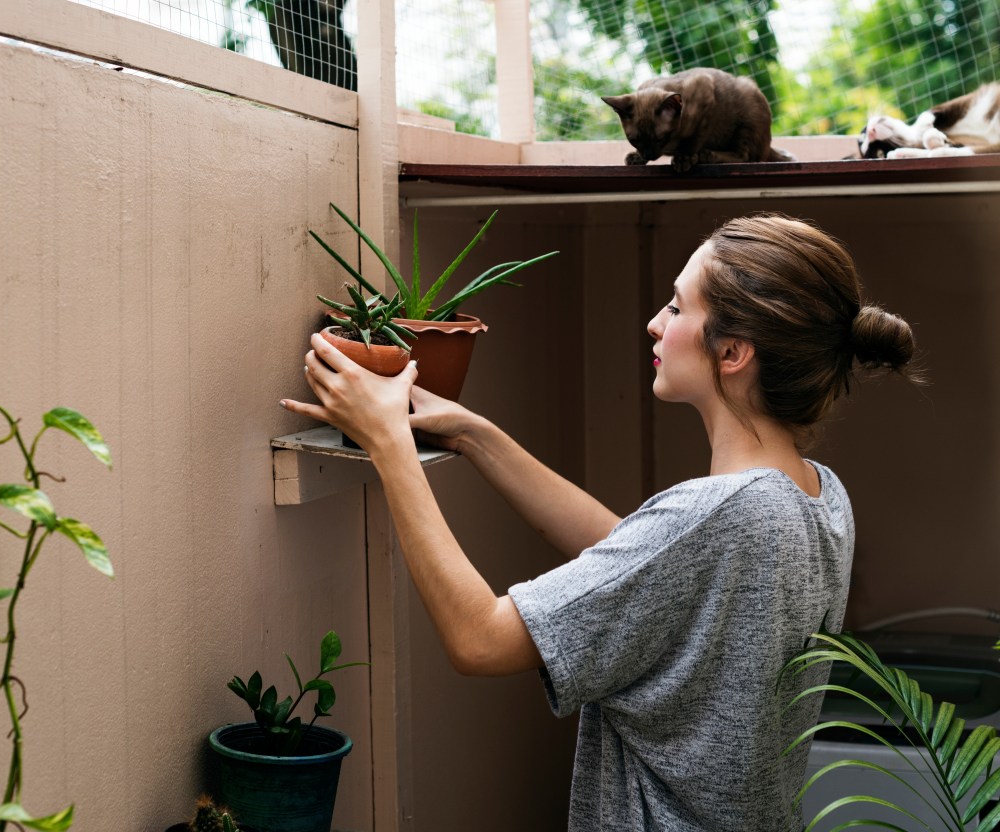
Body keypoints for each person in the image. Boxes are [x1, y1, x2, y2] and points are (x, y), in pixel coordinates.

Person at [280, 213, 919, 831]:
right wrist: (475, 435)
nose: (653, 324)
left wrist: (389, 445)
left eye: (675, 308)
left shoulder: (717, 513)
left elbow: (479, 638)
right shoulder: (817, 498)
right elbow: (645, 565)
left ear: (731, 351)